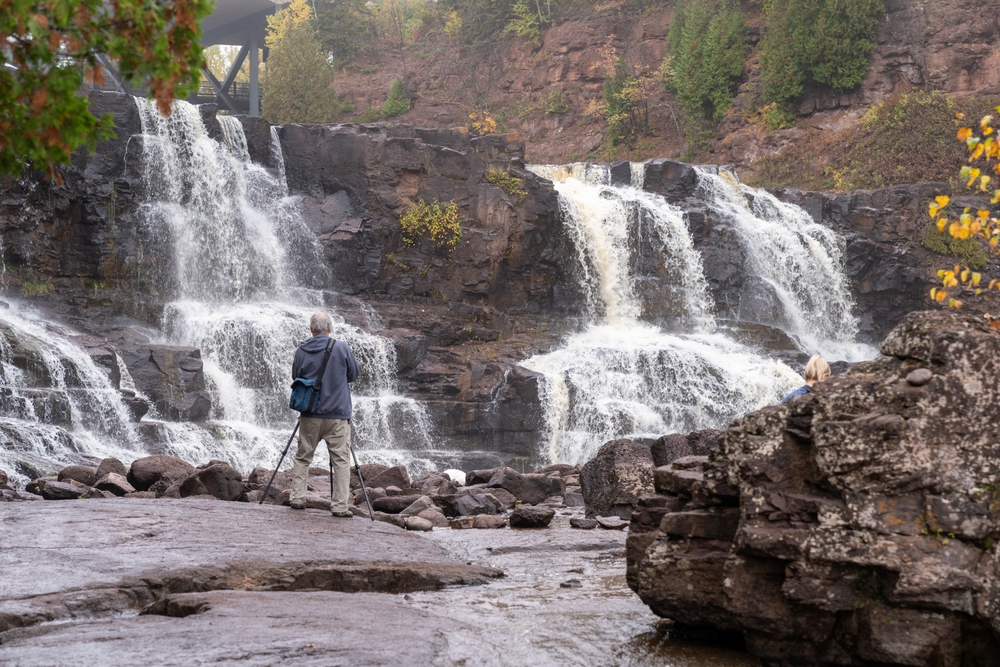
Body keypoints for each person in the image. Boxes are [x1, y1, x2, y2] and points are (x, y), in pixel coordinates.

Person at [289, 312, 359, 516]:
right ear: (330, 329)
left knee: (303, 458)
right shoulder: (341, 347)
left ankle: (297, 499)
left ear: (311, 330)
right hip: (337, 414)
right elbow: (353, 374)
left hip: (310, 413)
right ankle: (339, 507)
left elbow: (296, 376)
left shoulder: (301, 349)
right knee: (341, 461)